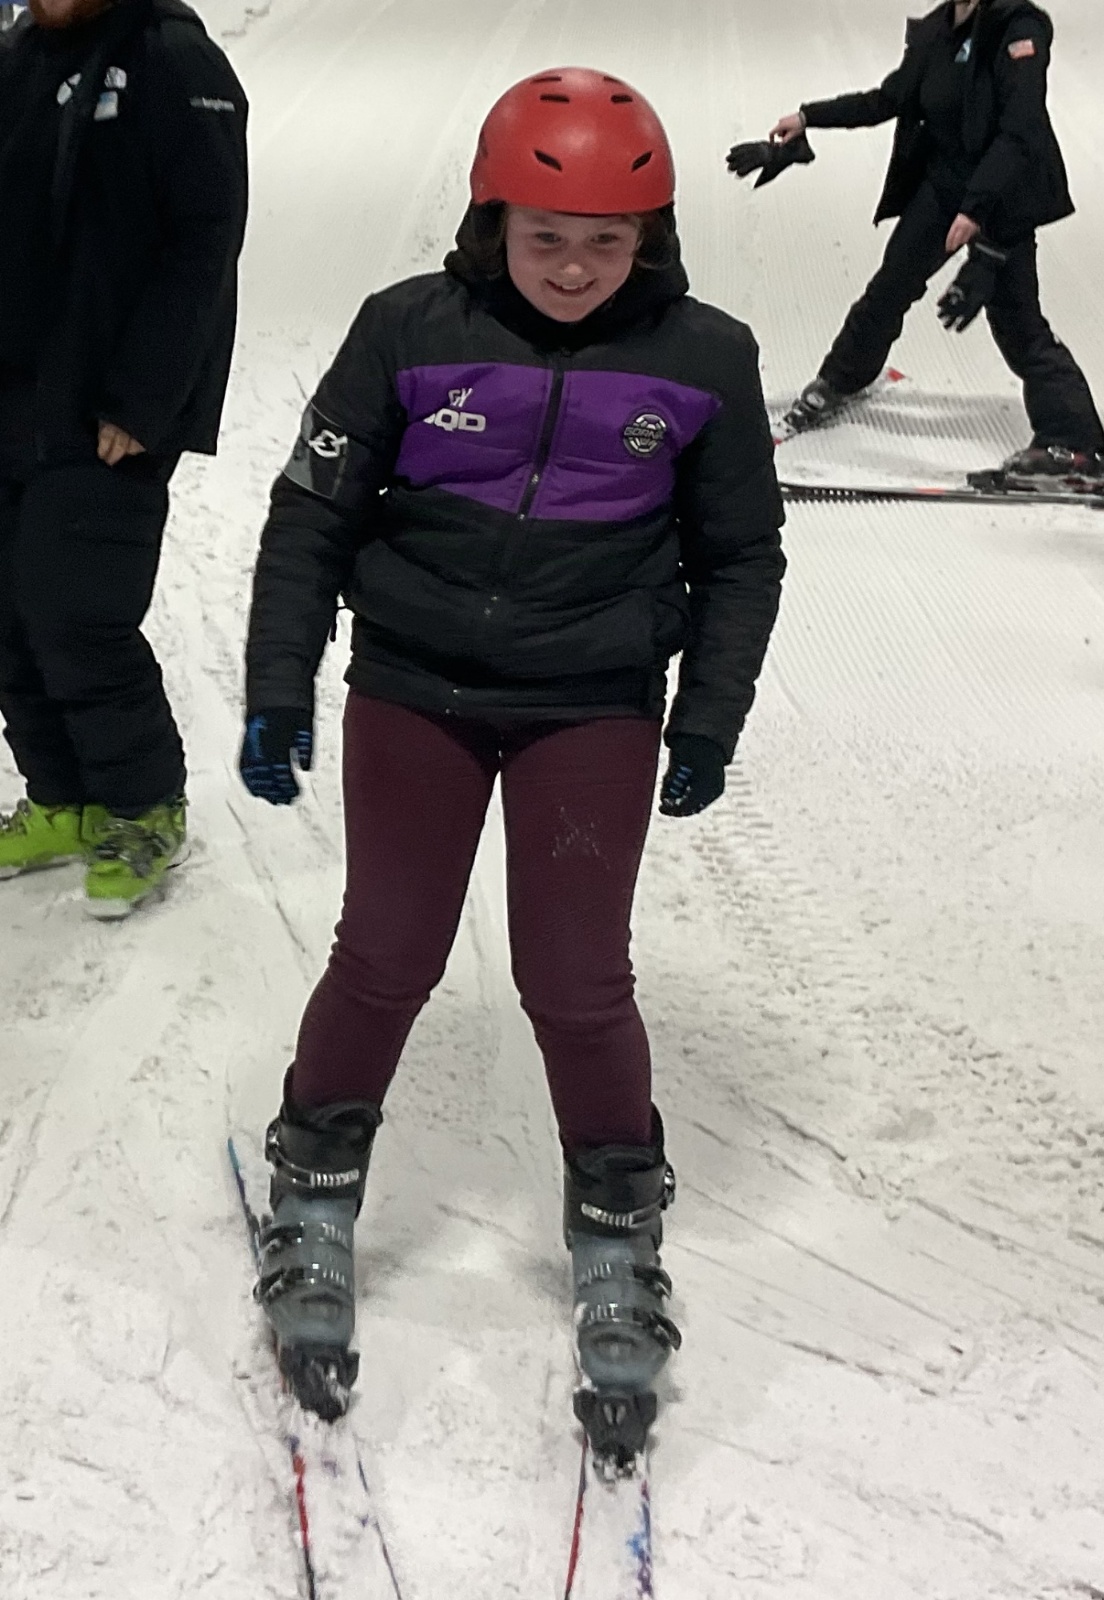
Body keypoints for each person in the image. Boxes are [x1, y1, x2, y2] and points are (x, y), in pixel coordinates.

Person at [239, 68, 785, 1465]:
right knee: (387, 951)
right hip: (415, 687)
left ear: (651, 237)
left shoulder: (705, 358)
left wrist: (708, 719)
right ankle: (313, 1191)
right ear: (492, 221)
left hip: (589, 701)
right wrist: (278, 680)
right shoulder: (406, 328)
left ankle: (617, 1230)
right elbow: (313, 511)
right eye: (545, 236)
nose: (575, 266)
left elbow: (741, 556)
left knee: (576, 978)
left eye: (607, 240)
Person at [0, 0, 248, 916]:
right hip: (13, 392)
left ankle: (143, 806)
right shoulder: (21, 52)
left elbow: (204, 241)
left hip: (107, 404)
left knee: (78, 614)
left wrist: (147, 398)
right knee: (10, 615)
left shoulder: (173, 59)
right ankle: (62, 799)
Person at [758, 0, 1104, 484]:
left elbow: (1020, 132)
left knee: (1017, 322)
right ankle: (839, 380)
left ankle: (1074, 445)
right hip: (945, 188)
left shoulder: (1018, 28)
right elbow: (888, 98)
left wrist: (977, 213)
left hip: (1003, 194)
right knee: (889, 290)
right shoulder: (937, 30)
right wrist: (808, 117)